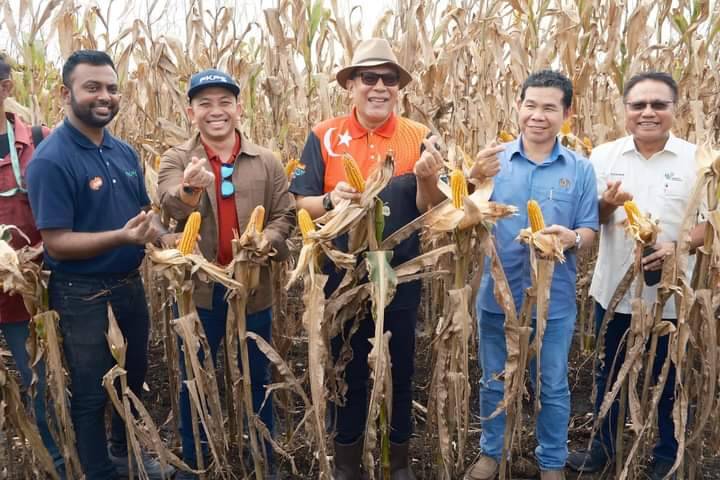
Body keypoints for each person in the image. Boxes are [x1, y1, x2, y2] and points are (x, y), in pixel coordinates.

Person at [289, 38, 445, 480]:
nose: (379, 87)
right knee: (347, 368)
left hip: (400, 271)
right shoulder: (324, 135)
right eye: (369, 78)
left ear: (399, 87)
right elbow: (300, 203)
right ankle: (347, 463)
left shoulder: (419, 136)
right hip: (339, 272)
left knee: (399, 367)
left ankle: (398, 463)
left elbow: (433, 208)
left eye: (389, 79)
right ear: (351, 85)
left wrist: (430, 181)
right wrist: (329, 199)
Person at [26, 50, 175, 480]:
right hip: (82, 294)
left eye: (111, 88)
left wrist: (165, 239)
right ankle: (98, 471)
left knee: (131, 379)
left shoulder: (123, 151)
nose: (104, 96)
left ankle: (124, 454)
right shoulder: (51, 160)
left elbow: (146, 214)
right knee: (93, 390)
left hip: (129, 285)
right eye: (92, 87)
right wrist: (123, 237)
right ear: (65, 93)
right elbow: (57, 242)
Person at [566, 72, 706, 480]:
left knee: (671, 375)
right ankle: (602, 449)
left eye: (658, 105)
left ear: (673, 110)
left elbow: (711, 222)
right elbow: (588, 220)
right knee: (607, 374)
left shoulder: (698, 161)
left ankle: (668, 451)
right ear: (625, 110)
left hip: (674, 295)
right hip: (613, 291)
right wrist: (607, 206)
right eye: (638, 105)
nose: (648, 112)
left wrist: (679, 247)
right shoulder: (603, 157)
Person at [157, 68, 295, 479]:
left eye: (224, 102)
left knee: (257, 379)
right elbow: (169, 208)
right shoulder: (178, 159)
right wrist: (189, 190)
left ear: (239, 108)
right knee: (194, 378)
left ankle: (262, 456)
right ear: (190, 112)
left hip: (253, 289)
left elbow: (285, 215)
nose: (215, 112)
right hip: (199, 292)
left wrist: (263, 242)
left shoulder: (266, 161)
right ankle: (194, 462)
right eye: (205, 104)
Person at [465, 70, 599, 480]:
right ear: (518, 106)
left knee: (553, 386)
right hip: (496, 297)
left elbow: (590, 231)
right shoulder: (493, 161)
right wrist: (471, 178)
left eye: (549, 107)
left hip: (553, 299)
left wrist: (571, 237)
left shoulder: (579, 169)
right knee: (493, 380)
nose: (537, 116)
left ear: (566, 113)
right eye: (530, 105)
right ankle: (491, 453)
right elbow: (463, 217)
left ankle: (552, 462)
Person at [0, 53, 65, 478]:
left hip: (25, 294)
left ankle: (59, 463)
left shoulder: (41, 140)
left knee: (42, 384)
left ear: (6, 87)